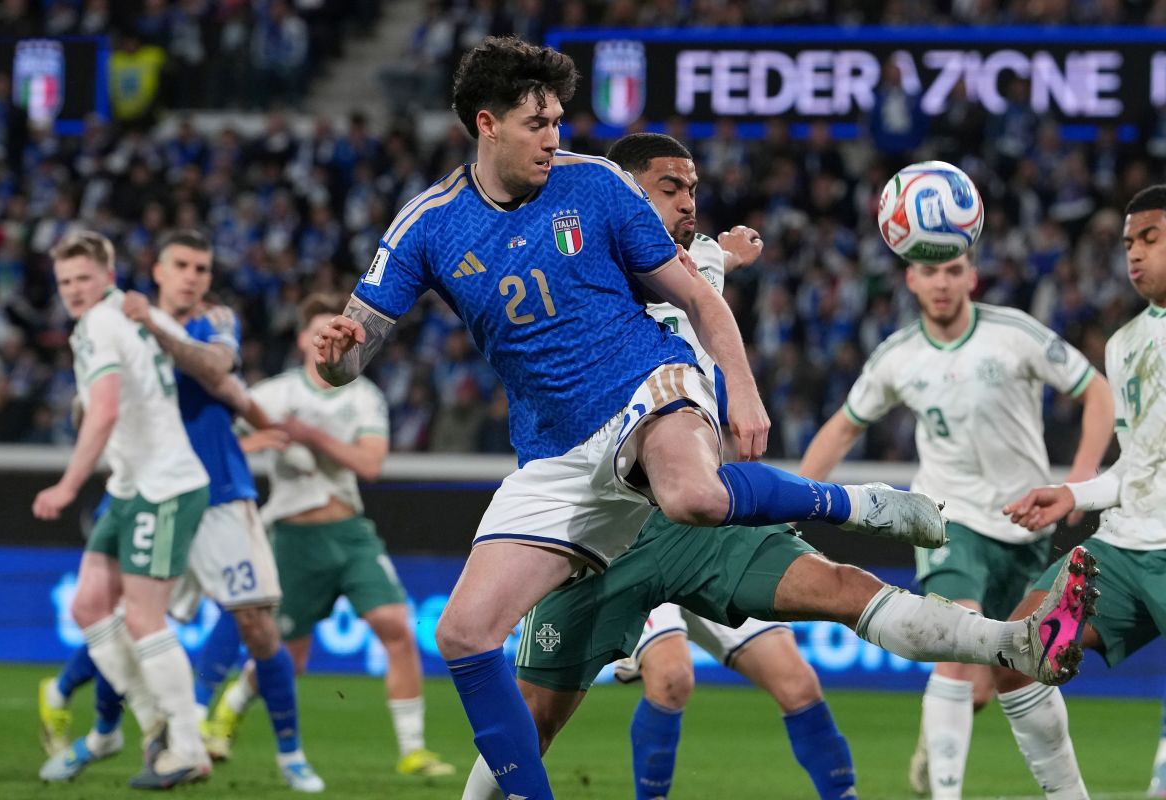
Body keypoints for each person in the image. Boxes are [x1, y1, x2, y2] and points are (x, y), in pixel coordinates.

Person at [314, 36, 1091, 798]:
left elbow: (694, 291)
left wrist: (741, 393)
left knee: (709, 514)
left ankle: (871, 517)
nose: (555, 138)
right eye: (537, 123)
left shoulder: (598, 186)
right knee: (463, 637)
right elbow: (349, 353)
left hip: (645, 395)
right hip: (557, 462)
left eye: (558, 120)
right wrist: (334, 352)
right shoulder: (427, 224)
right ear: (486, 124)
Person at [458, 132, 857, 800]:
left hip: (700, 518)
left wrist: (729, 254)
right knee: (659, 682)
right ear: (618, 193)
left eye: (691, 192)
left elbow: (705, 270)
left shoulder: (693, 264)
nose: (686, 205)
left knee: (797, 679)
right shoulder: (592, 265)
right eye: (669, 190)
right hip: (621, 527)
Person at [797, 250, 1113, 798]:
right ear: (910, 279)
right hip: (947, 520)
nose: (941, 282)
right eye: (929, 271)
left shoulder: (1015, 334)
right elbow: (844, 427)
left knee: (1006, 675)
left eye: (951, 270)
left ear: (971, 275)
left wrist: (1080, 480)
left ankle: (946, 746)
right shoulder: (898, 357)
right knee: (955, 641)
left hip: (1026, 527)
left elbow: (1097, 394)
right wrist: (796, 501)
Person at [37, 230, 324, 792]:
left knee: (257, 626)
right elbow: (93, 405)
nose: (194, 276)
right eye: (182, 266)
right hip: (146, 487)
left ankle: (289, 755)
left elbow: (218, 371)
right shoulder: (120, 321)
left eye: (202, 267)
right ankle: (106, 732)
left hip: (215, 494)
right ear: (157, 271)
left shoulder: (210, 321)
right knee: (121, 618)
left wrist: (260, 417)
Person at [211, 292, 455, 779]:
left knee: (397, 628)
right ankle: (228, 712)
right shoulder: (274, 394)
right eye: (322, 329)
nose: (331, 339)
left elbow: (371, 464)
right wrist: (258, 440)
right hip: (294, 539)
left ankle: (412, 750)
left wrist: (310, 437)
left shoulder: (362, 395)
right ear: (304, 338)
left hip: (349, 533)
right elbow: (219, 437)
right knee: (288, 658)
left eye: (340, 331)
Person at [998, 185, 1166, 799]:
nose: (1135, 254)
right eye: (1128, 244)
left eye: (1150, 238)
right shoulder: (1124, 346)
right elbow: (1141, 461)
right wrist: (1077, 495)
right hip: (1123, 551)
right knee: (1017, 651)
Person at [33, 231, 211, 788]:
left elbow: (104, 409)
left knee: (142, 618)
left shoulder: (98, 327)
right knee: (89, 605)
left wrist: (67, 485)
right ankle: (140, 721)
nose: (74, 291)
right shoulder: (132, 314)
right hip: (136, 485)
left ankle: (186, 746)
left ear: (107, 276)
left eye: (84, 278)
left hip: (163, 488)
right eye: (65, 282)